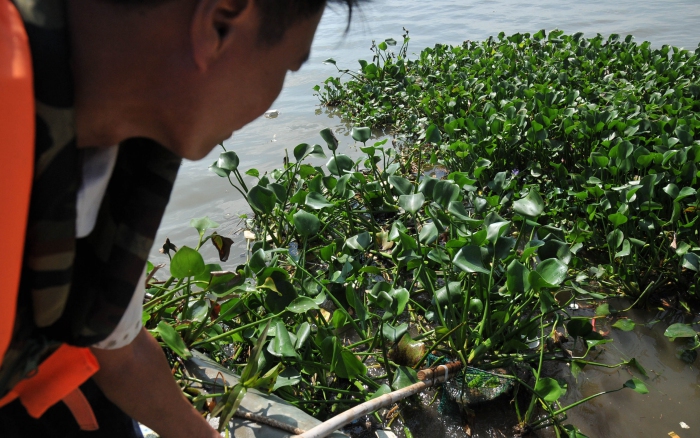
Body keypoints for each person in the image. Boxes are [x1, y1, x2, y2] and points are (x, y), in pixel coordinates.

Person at [0, 0, 364, 436]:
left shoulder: (120, 133)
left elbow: (120, 352)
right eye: (287, 68)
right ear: (220, 23)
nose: (273, 95)